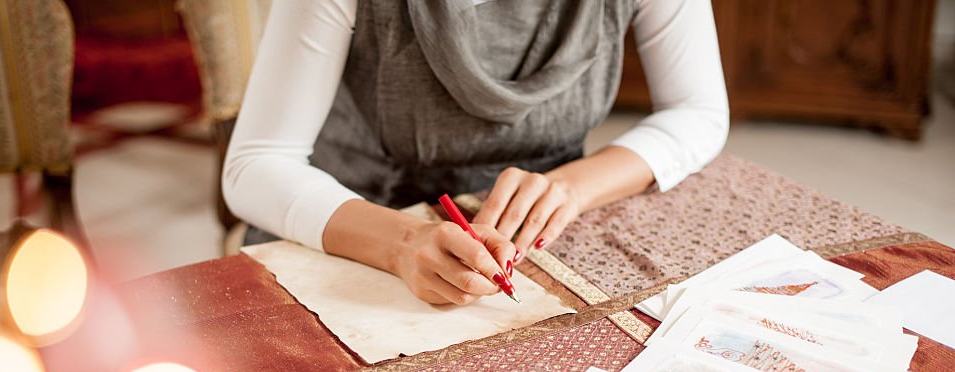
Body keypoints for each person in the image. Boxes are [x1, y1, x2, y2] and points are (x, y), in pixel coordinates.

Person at [224, 0, 728, 305]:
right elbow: (256, 166)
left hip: (533, 244)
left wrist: (572, 186)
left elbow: (699, 111)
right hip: (361, 222)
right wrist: (402, 243)